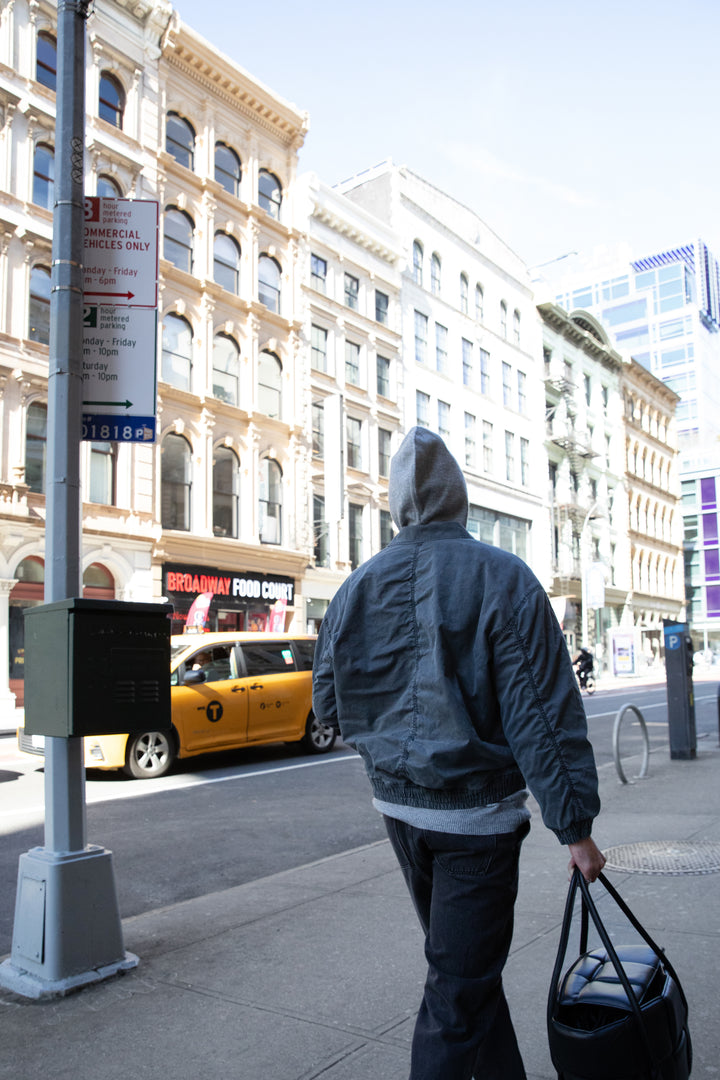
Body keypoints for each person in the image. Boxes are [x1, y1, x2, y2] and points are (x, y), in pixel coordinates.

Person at [312, 427, 605, 1080]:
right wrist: (575, 827)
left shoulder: (356, 587)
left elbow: (329, 705)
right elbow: (542, 712)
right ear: (460, 497)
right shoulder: (503, 578)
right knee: (457, 989)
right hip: (476, 824)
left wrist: (388, 749)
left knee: (466, 974)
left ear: (394, 503)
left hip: (399, 814)